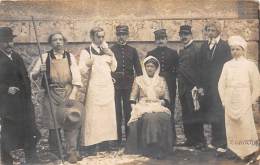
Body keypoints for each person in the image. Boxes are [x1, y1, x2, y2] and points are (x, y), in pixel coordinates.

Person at [30, 32, 82, 163]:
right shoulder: (44, 57)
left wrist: (72, 94)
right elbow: (32, 76)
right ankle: (55, 153)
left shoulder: (70, 57)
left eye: (60, 39)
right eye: (55, 40)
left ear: (64, 41)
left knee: (71, 122)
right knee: (53, 125)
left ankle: (72, 152)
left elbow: (76, 78)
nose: (58, 42)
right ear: (51, 43)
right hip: (51, 93)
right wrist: (38, 71)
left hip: (68, 92)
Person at [0, 27, 41, 165]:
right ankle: (7, 161)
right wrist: (6, 89)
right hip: (6, 105)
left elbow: (24, 77)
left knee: (29, 131)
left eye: (11, 41)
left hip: (23, 104)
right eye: (5, 41)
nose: (9, 44)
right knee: (8, 134)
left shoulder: (16, 57)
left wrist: (28, 98)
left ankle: (32, 160)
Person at [218, 35, 260, 162]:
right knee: (232, 126)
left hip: (244, 98)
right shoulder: (227, 65)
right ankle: (236, 152)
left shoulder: (250, 65)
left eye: (237, 49)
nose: (235, 52)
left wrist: (251, 101)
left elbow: (257, 85)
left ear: (243, 50)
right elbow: (221, 84)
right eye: (232, 49)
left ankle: (250, 152)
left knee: (245, 125)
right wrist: (224, 100)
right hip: (230, 98)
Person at [79, 27, 118, 154]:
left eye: (102, 37)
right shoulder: (86, 52)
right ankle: (92, 144)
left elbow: (114, 68)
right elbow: (81, 71)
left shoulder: (107, 51)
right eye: (98, 37)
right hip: (94, 87)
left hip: (107, 87)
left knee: (107, 115)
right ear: (92, 37)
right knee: (93, 115)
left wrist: (111, 55)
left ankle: (106, 143)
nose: (100, 39)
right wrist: (87, 64)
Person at [125, 56, 173, 159]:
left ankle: (163, 147)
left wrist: (160, 102)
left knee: (164, 117)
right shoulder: (139, 79)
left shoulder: (161, 80)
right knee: (150, 118)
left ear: (156, 68)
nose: (150, 68)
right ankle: (151, 148)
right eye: (147, 66)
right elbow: (132, 98)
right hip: (143, 106)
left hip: (158, 105)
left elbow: (167, 98)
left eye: (152, 66)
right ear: (144, 67)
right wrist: (134, 110)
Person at [199, 20, 232, 153]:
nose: (210, 33)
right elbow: (201, 67)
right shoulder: (204, 46)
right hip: (207, 86)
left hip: (220, 84)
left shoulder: (225, 46)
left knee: (219, 112)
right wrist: (201, 85)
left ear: (218, 31)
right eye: (208, 30)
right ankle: (213, 140)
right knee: (210, 112)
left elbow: (228, 66)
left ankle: (222, 142)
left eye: (213, 30)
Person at [111, 25, 142, 146]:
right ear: (116, 36)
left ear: (127, 36)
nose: (121, 37)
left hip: (129, 86)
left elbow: (138, 69)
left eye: (123, 34)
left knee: (129, 111)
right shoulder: (111, 50)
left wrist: (140, 85)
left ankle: (130, 138)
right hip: (115, 85)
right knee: (116, 111)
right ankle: (116, 139)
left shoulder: (132, 50)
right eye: (119, 35)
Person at [146, 29, 178, 144]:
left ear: (166, 39)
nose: (160, 41)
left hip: (170, 85)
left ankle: (171, 137)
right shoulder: (151, 54)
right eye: (158, 39)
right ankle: (158, 137)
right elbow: (148, 71)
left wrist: (171, 77)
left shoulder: (173, 53)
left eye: (162, 39)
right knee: (157, 109)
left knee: (170, 109)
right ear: (155, 41)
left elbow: (177, 69)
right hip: (156, 85)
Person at [178, 25, 205, 149]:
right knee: (186, 114)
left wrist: (199, 86)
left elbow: (201, 69)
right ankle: (190, 139)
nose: (184, 37)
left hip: (193, 87)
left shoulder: (197, 49)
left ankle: (199, 140)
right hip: (183, 88)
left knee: (195, 113)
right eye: (182, 34)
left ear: (191, 35)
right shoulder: (182, 50)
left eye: (186, 34)